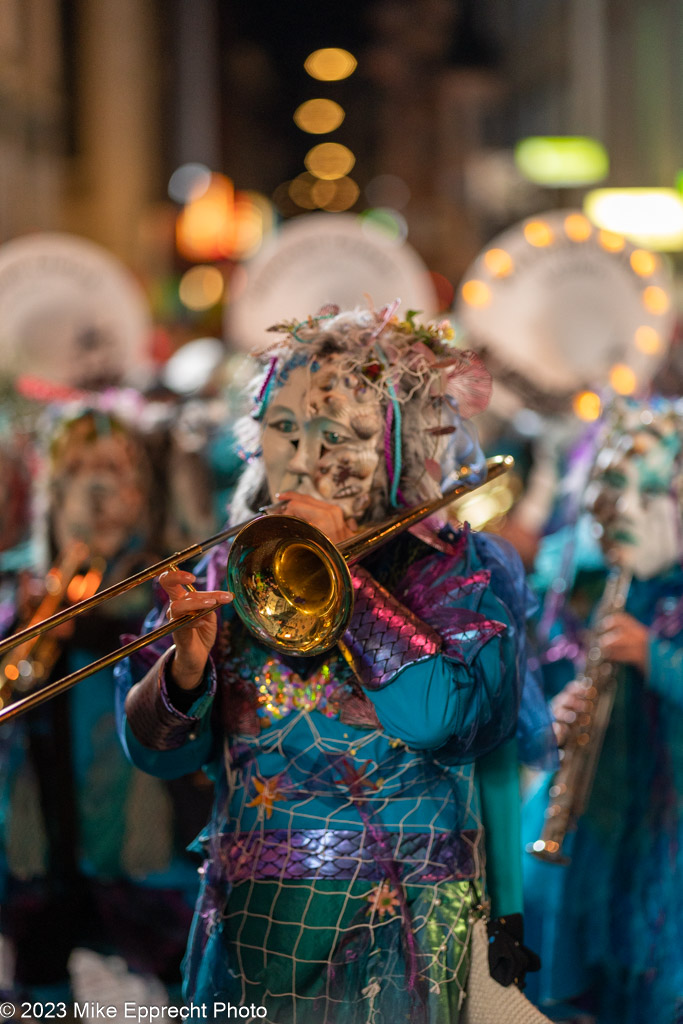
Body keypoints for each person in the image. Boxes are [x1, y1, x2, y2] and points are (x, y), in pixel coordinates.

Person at [117, 305, 548, 1023]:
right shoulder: (227, 566)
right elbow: (157, 759)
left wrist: (350, 583)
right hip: (253, 929)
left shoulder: (454, 571)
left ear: (393, 450)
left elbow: (451, 726)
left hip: (401, 931)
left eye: (336, 434)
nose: (305, 457)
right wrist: (184, 672)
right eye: (283, 428)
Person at [0, 408, 202, 1005]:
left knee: (186, 991)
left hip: (151, 853)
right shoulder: (20, 590)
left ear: (146, 491)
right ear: (53, 492)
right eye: (79, 470)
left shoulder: (176, 593)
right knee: (40, 995)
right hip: (42, 853)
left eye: (114, 469)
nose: (97, 488)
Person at [522, 398, 683, 1024]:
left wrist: (658, 659)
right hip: (609, 831)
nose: (630, 520)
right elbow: (544, 682)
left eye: (651, 498)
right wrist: (560, 714)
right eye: (621, 501)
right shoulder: (601, 588)